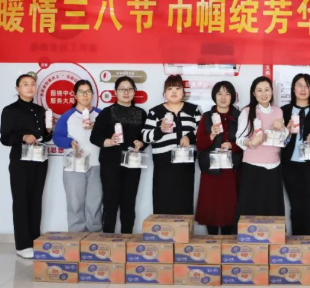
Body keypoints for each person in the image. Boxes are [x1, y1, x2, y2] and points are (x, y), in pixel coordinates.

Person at [0, 74, 53, 258]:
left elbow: (44, 137)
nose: (30, 87)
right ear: (17, 88)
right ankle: (22, 245)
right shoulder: (10, 110)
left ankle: (34, 240)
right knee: (21, 200)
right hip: (20, 161)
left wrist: (48, 131)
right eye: (25, 84)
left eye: (32, 84)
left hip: (39, 159)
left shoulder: (40, 110)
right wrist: (23, 137)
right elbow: (5, 138)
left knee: (36, 199)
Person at [90, 76, 147, 233]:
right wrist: (109, 141)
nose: (126, 92)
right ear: (116, 92)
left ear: (134, 91)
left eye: (129, 89)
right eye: (122, 89)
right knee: (110, 202)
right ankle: (108, 240)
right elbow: (94, 137)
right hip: (110, 164)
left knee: (129, 203)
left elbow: (146, 136)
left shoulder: (141, 113)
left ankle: (127, 238)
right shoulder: (107, 112)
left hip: (133, 164)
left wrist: (141, 144)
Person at [142, 75, 202, 214]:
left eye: (177, 88)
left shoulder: (194, 110)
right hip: (163, 163)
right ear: (164, 93)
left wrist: (189, 137)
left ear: (183, 92)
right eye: (170, 88)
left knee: (184, 200)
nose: (174, 91)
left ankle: (184, 228)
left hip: (186, 162)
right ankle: (162, 228)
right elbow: (145, 136)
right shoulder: (155, 112)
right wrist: (160, 130)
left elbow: (202, 131)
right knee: (163, 199)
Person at [53, 80, 103, 232]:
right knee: (75, 204)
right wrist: (70, 142)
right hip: (74, 166)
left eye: (88, 92)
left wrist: (97, 126)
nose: (85, 95)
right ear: (75, 95)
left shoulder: (100, 114)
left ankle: (94, 237)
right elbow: (57, 137)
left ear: (92, 94)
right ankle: (76, 237)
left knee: (95, 203)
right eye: (81, 92)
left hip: (97, 165)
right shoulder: (67, 116)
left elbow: (110, 134)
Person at [281, 74, 310, 235]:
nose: (303, 89)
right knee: (294, 205)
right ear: (293, 88)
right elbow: (280, 140)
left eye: (307, 86)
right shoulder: (284, 110)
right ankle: (296, 241)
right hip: (289, 164)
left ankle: (309, 242)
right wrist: (286, 132)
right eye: (299, 85)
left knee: (308, 204)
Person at [235, 76, 288, 216]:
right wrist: (252, 143)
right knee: (252, 208)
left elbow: (284, 139)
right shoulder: (247, 112)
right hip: (253, 167)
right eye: (259, 90)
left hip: (274, 166)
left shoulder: (278, 111)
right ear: (254, 93)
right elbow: (239, 139)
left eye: (267, 89)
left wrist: (283, 128)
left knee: (272, 209)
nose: (264, 94)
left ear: (272, 91)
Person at [195, 81, 242, 235]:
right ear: (214, 96)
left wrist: (232, 145)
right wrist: (211, 135)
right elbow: (200, 144)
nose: (223, 97)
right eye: (219, 93)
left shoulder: (239, 116)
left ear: (232, 96)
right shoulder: (207, 117)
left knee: (230, 210)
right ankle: (213, 244)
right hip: (211, 170)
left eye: (227, 94)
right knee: (211, 210)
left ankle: (228, 245)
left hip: (232, 171)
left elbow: (245, 142)